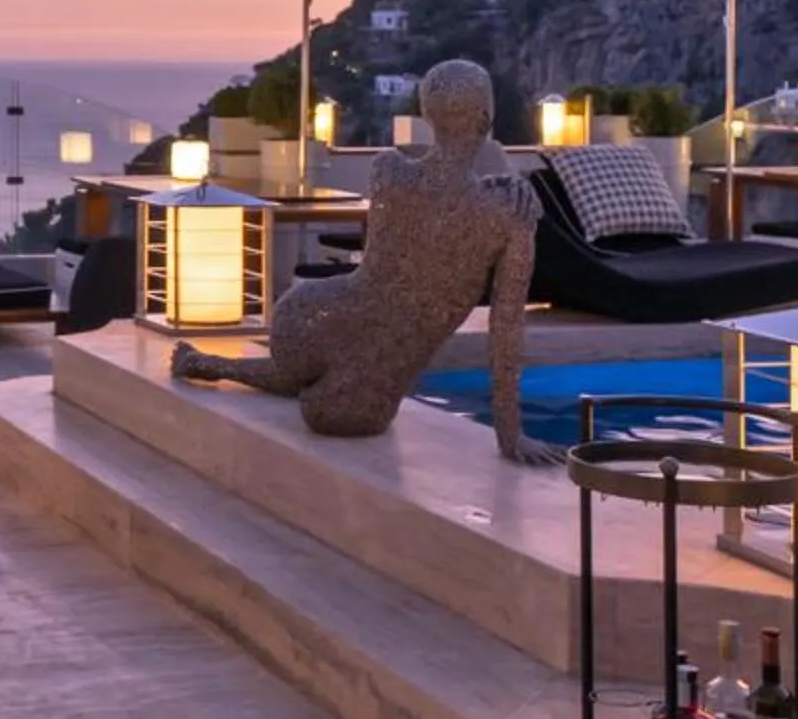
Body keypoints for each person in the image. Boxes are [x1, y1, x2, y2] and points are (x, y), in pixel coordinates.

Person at [174, 57, 560, 466]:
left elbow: (432, 205)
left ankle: (211, 364)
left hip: (303, 313)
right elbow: (505, 330)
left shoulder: (388, 172)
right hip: (366, 351)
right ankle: (310, 379)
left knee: (319, 373)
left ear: (426, 113)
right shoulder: (509, 213)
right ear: (486, 118)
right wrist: (510, 434)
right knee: (332, 411)